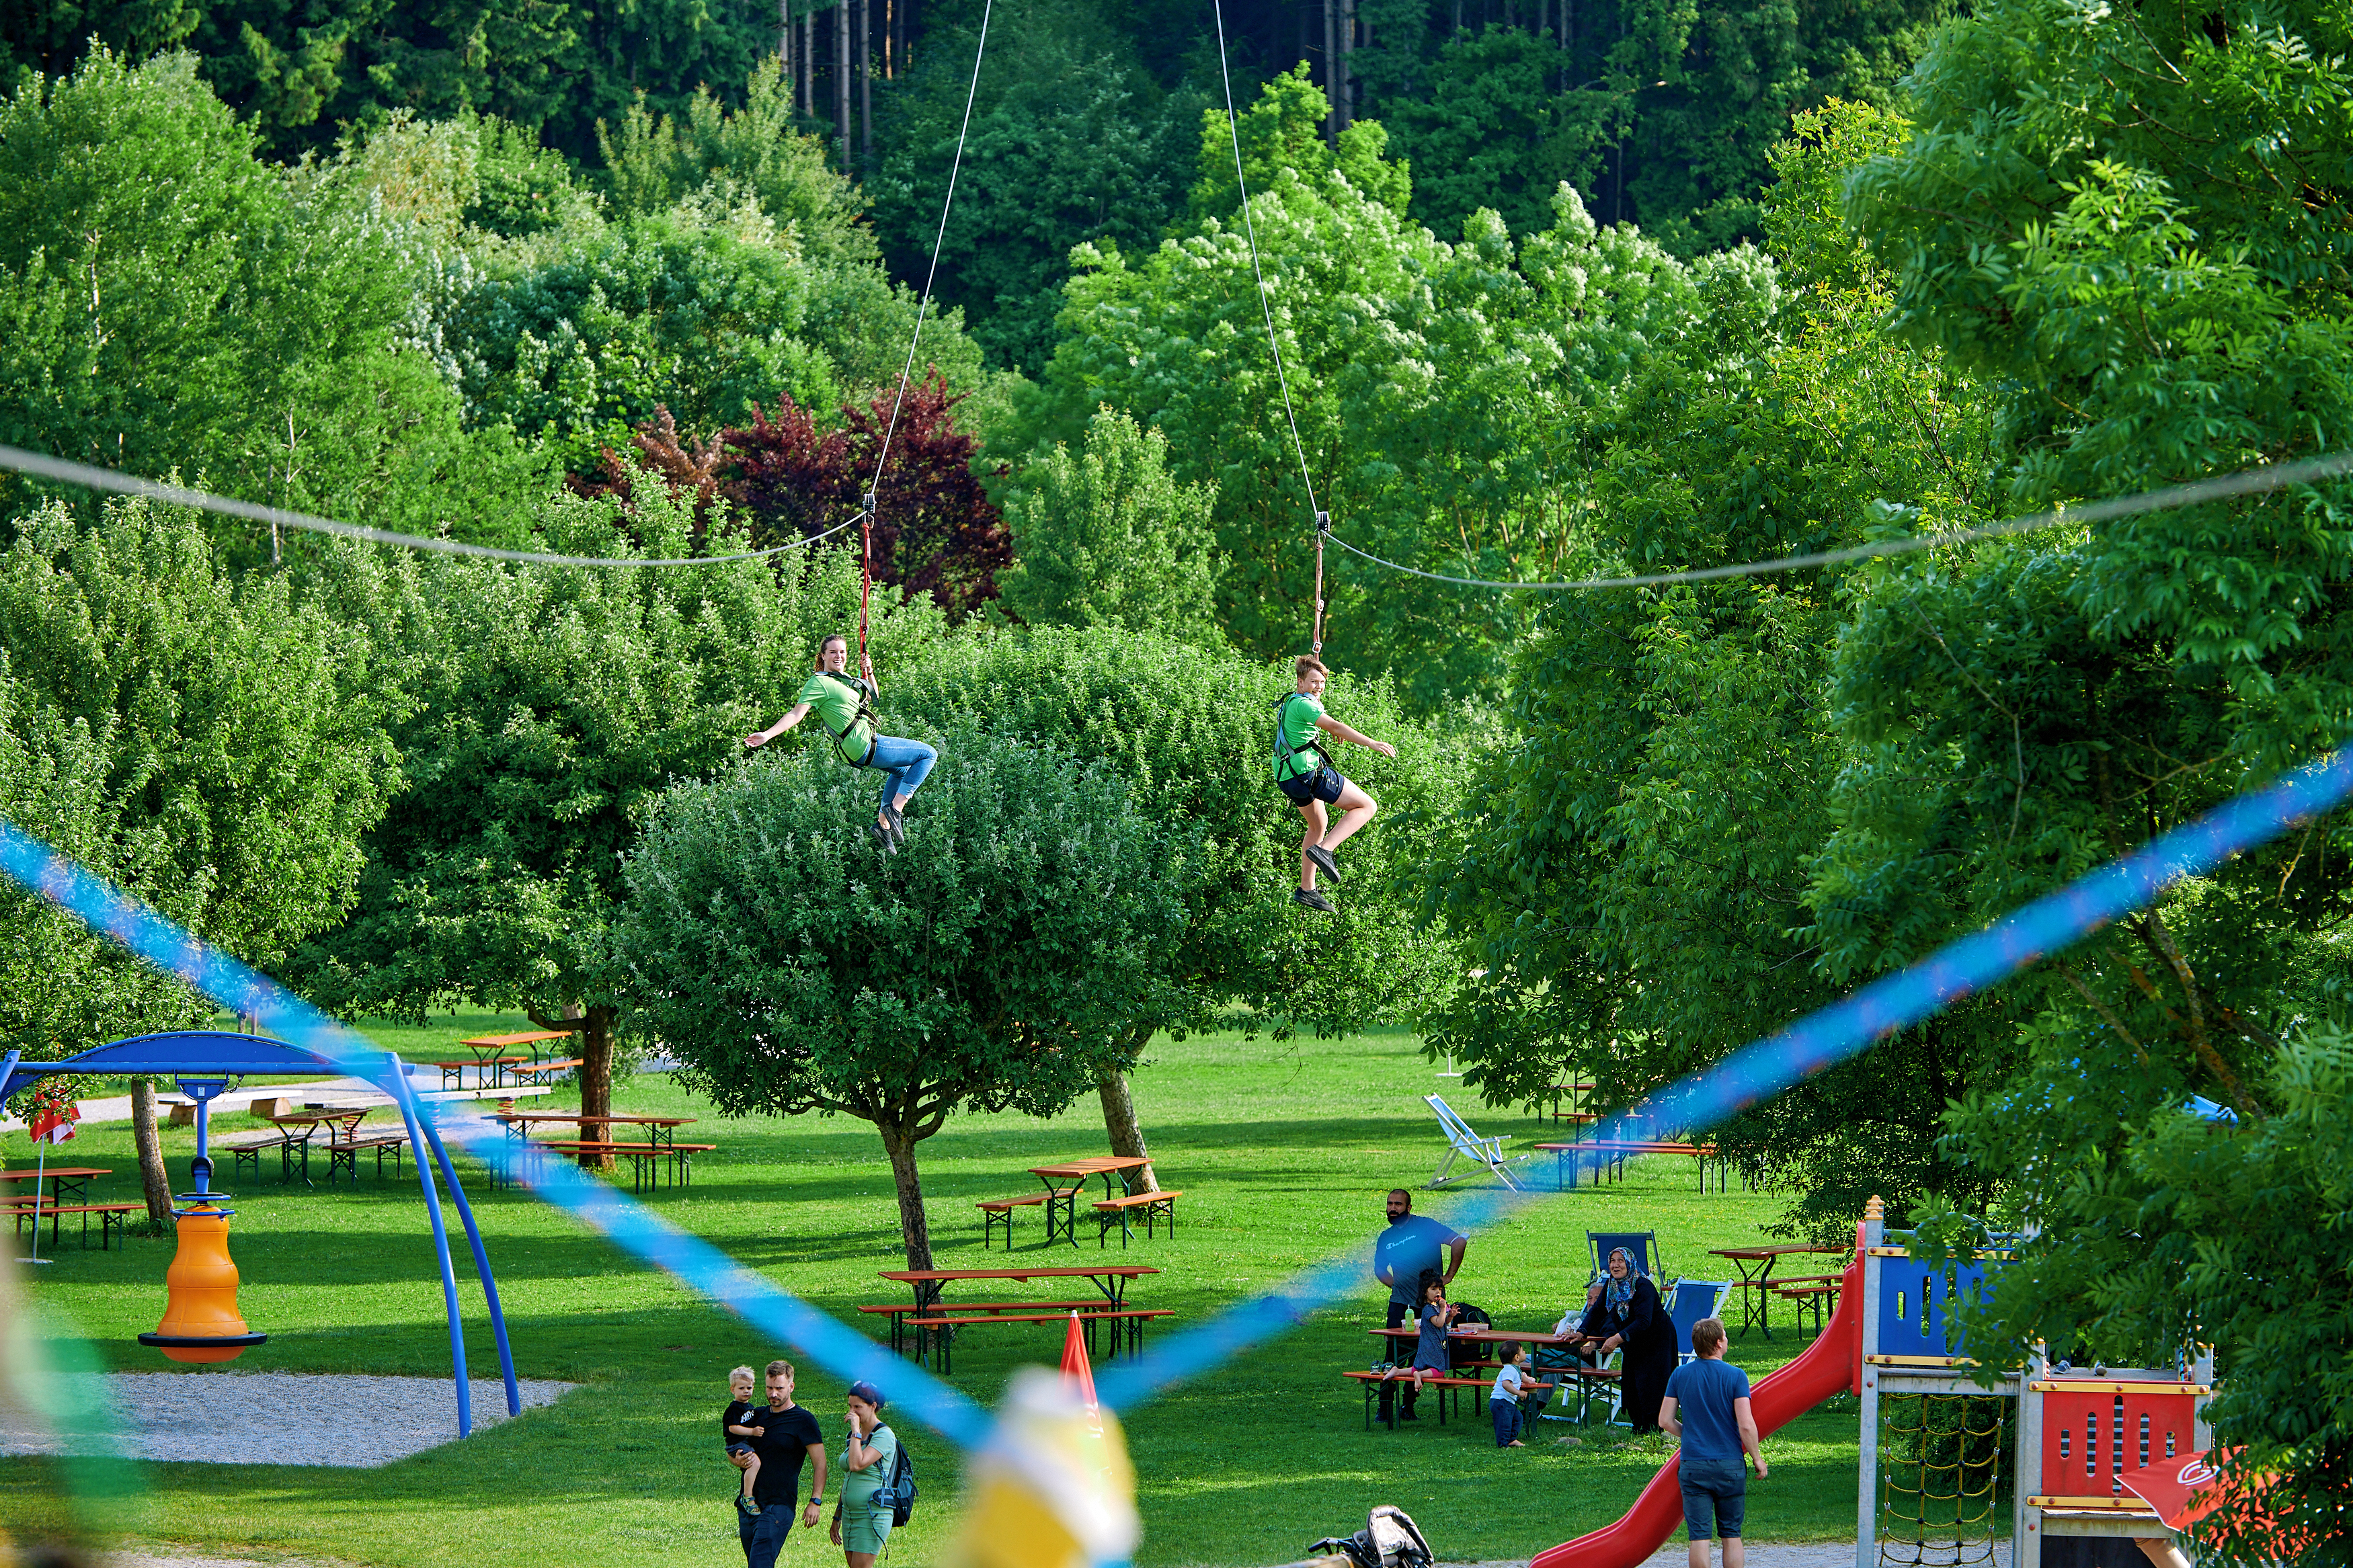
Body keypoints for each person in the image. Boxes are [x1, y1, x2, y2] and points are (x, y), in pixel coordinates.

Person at [747, 634, 937, 852]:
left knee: (901, 772)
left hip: (856, 749)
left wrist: (869, 671)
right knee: (928, 754)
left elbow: (873, 697)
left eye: (842, 652)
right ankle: (896, 809)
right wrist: (768, 735)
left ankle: (883, 826)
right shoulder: (819, 682)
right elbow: (796, 714)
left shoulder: (845, 680)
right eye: (833, 652)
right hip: (864, 743)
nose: (839, 656)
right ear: (823, 656)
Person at [1272, 655, 1396, 913]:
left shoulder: (1292, 702)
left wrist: (1324, 731)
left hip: (1287, 777)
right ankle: (1325, 850)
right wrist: (1372, 743)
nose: (1318, 686)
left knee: (1318, 823)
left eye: (1322, 682)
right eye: (1313, 682)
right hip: (1306, 772)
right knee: (1366, 806)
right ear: (1301, 683)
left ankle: (1307, 889)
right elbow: (1337, 726)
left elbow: (1304, 729)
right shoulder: (1306, 705)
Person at [1660, 1317, 1766, 1568]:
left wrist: (1690, 1433)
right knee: (1731, 1534)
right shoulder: (1736, 1376)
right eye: (1726, 1336)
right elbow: (1746, 1425)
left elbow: (1665, 1420)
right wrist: (1757, 1459)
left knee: (1699, 1537)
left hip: (1694, 1464)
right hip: (1729, 1464)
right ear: (1719, 1343)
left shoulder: (1680, 1375)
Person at [1372, 1188, 1466, 1421]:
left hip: (1428, 1306)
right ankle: (1384, 1408)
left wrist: (1449, 1276)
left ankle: (1408, 1406)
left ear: (1409, 1208)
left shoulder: (1426, 1227)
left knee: (1423, 1355)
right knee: (1393, 1353)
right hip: (1399, 1305)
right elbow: (1379, 1269)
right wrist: (1396, 1285)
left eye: (1398, 1204)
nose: (1393, 1208)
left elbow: (1459, 1241)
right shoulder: (1386, 1237)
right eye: (1389, 1204)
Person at [731, 1359, 827, 1568]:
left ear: (791, 1387)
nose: (773, 1394)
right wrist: (736, 1459)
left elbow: (820, 1464)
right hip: (749, 1505)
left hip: (779, 1506)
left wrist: (816, 1501)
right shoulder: (756, 1416)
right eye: (769, 1388)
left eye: (779, 1388)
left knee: (760, 1564)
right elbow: (733, 1448)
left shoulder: (804, 1421)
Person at [1575, 1245, 1679, 1432]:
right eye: (1612, 1261)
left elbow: (1644, 1321)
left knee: (1651, 1384)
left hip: (1656, 1341)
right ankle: (1638, 1425)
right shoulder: (1612, 1286)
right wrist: (1581, 1332)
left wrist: (1616, 1338)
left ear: (1630, 1263)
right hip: (1632, 1342)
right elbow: (1597, 1311)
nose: (1615, 1266)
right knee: (1631, 1383)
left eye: (1620, 1261)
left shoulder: (1643, 1286)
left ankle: (1654, 1428)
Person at [830, 1380, 899, 1567]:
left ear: (873, 1406)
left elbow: (856, 1464)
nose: (852, 1412)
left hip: (872, 1515)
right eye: (850, 1406)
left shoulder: (884, 1435)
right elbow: (849, 1478)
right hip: (850, 1515)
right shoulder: (856, 1435)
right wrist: (838, 1516)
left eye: (858, 1407)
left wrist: (855, 1432)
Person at [1382, 1274, 1458, 1405]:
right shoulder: (1428, 1309)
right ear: (1425, 1292)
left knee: (1416, 1367)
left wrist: (1450, 1316)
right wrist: (1444, 1308)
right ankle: (1420, 1375)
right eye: (1433, 1289)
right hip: (1433, 1347)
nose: (1438, 1292)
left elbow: (1443, 1322)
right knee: (1440, 1371)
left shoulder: (1434, 1307)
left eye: (1440, 1289)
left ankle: (1398, 1370)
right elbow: (1439, 1323)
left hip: (1428, 1346)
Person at [723, 1364, 764, 1516]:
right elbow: (733, 1428)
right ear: (732, 1389)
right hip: (736, 1444)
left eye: (749, 1388)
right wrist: (753, 1432)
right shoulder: (734, 1408)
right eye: (741, 1388)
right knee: (755, 1463)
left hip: (745, 1443)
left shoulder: (750, 1407)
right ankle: (747, 1497)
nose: (746, 1391)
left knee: (754, 1463)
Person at [1490, 1342, 1531, 1448]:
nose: (1525, 1352)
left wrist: (1531, 1382)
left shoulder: (1515, 1369)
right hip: (1501, 1401)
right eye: (1522, 1350)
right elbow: (1506, 1384)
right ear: (1517, 1357)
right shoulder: (1509, 1370)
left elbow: (1522, 1377)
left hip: (1508, 1402)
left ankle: (1512, 1440)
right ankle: (1503, 1444)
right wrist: (1519, 1393)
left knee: (1518, 1418)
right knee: (1504, 1424)